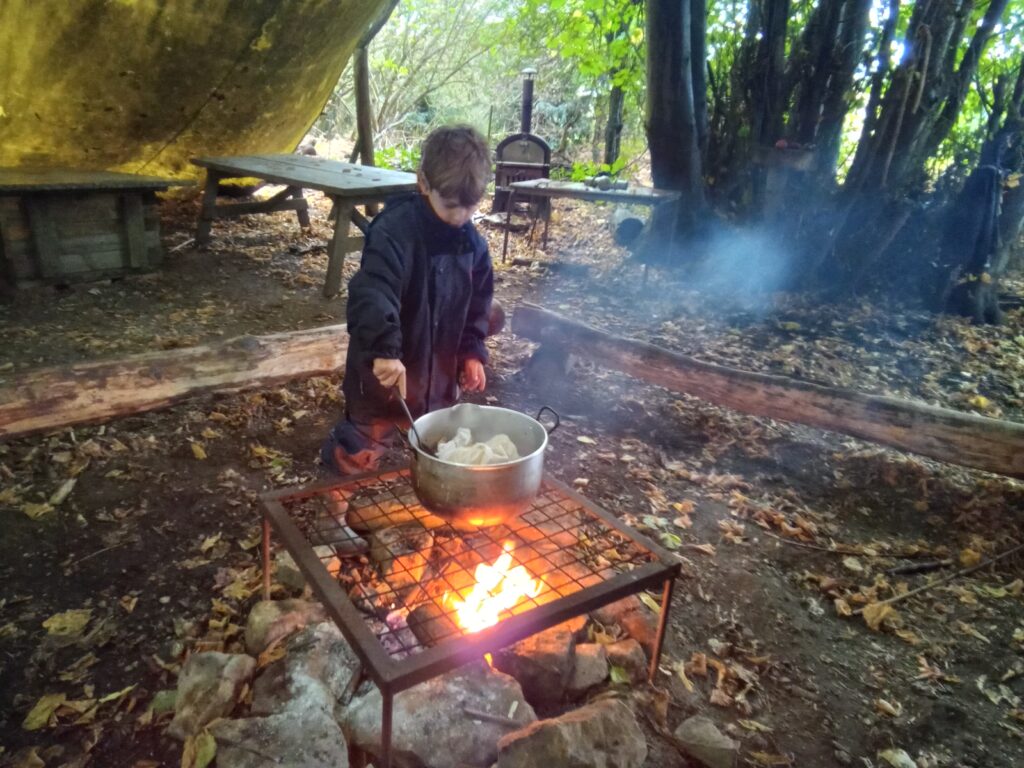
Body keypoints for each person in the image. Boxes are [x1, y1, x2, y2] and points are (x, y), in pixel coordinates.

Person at [318, 125, 501, 552]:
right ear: (424, 183)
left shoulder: (473, 246)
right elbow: (373, 290)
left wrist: (472, 352)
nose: (460, 216)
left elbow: (478, 307)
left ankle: (439, 507)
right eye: (451, 204)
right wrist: (384, 349)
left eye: (469, 207)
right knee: (362, 443)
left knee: (439, 445)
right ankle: (330, 517)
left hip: (436, 376)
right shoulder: (395, 230)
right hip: (386, 373)